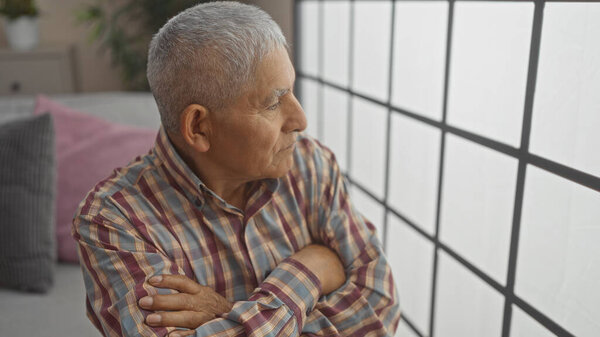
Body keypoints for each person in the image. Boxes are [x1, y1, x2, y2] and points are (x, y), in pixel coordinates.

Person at [73, 2, 401, 336]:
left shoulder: (311, 164)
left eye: (292, 90)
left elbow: (379, 312)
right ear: (199, 127)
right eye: (274, 102)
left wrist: (226, 313)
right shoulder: (114, 220)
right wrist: (306, 272)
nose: (301, 120)